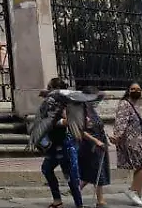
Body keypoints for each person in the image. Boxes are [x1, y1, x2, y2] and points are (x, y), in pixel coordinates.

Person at [39, 78, 84, 208]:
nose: (47, 89)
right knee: (47, 169)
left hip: (65, 144)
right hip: (55, 144)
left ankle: (78, 204)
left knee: (70, 176)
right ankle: (58, 200)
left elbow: (67, 120)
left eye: (49, 87)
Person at [112, 83, 142, 206]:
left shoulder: (137, 105)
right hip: (131, 141)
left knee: (141, 167)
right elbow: (120, 121)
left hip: (141, 141)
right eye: (133, 89)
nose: (136, 91)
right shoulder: (125, 104)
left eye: (138, 89)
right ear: (128, 90)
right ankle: (131, 190)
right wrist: (117, 136)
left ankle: (139, 195)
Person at [77, 86, 110, 208]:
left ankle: (76, 189)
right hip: (90, 145)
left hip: (100, 143)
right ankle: (100, 201)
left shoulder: (91, 109)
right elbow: (80, 130)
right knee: (97, 172)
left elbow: (103, 94)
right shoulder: (81, 110)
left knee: (94, 171)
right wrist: (96, 141)